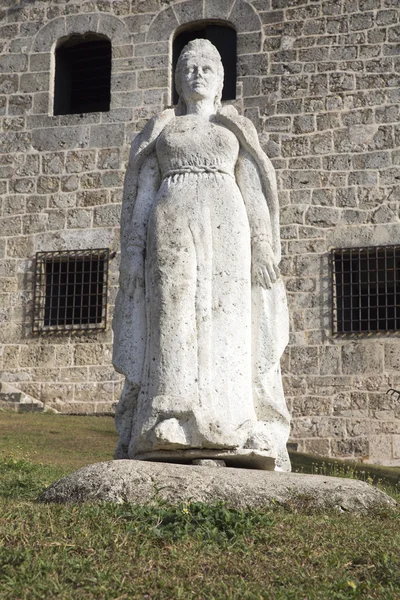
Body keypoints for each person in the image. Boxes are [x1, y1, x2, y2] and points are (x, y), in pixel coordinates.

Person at [112, 39, 291, 470]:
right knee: (171, 314)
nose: (197, 75)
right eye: (189, 68)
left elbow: (252, 188)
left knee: (228, 314)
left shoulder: (234, 128)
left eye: (206, 69)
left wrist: (263, 244)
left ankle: (232, 422)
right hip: (171, 220)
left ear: (221, 79)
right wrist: (133, 252)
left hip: (229, 225)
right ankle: (170, 419)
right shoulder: (163, 129)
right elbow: (142, 195)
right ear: (177, 78)